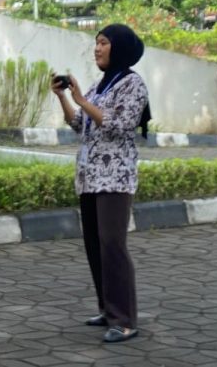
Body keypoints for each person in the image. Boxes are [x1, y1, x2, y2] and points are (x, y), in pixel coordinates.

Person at [51, 23, 151, 344]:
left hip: (115, 177)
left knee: (112, 245)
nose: (97, 48)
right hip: (90, 176)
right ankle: (107, 310)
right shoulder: (101, 85)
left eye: (104, 43)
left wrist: (81, 99)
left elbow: (120, 125)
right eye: (96, 43)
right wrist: (64, 97)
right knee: (95, 246)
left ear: (118, 47)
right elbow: (80, 124)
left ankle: (125, 320)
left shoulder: (132, 84)